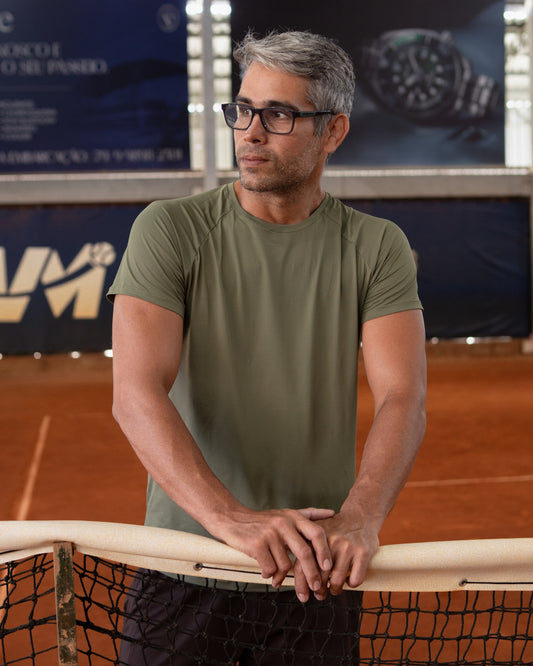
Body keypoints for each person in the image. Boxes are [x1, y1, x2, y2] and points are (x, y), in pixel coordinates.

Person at [108, 29, 427, 664]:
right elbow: (135, 393)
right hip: (187, 566)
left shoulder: (377, 245)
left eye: (279, 114)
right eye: (244, 110)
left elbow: (402, 396)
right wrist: (231, 519)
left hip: (316, 571)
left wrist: (362, 516)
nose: (251, 132)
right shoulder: (169, 229)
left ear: (332, 132)